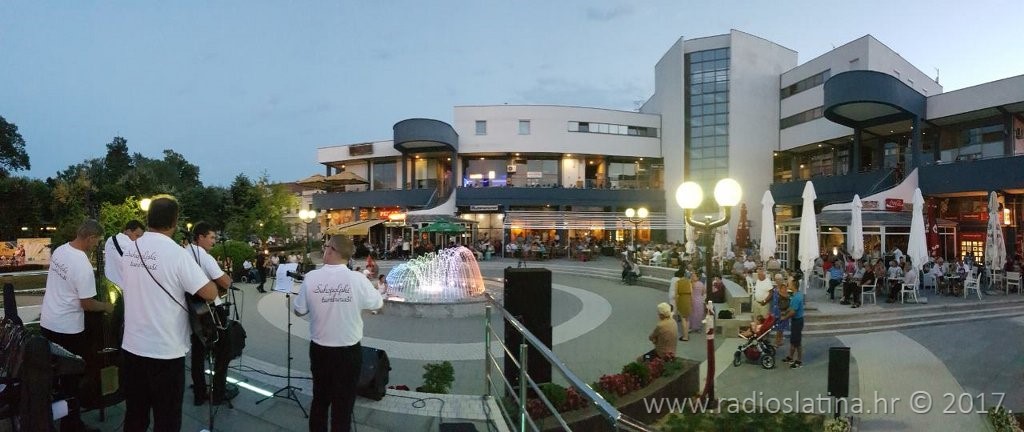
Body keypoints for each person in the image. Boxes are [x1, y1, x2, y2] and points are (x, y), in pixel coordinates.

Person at [120, 196, 219, 431]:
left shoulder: (130, 249)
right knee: (167, 420)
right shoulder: (177, 254)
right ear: (175, 221)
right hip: (165, 351)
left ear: (148, 219)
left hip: (132, 348)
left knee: (135, 416)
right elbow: (210, 293)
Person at [293, 235, 383, 432]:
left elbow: (299, 310)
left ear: (332, 250)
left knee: (320, 400)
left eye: (326, 246)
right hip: (349, 352)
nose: (324, 250)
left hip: (320, 350)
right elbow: (377, 303)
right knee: (343, 405)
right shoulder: (358, 279)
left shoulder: (312, 277)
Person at [40, 219, 115, 432]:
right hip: (68, 329)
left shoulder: (61, 250)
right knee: (72, 378)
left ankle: (53, 415)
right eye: (97, 241)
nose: (97, 245)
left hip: (48, 321)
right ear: (90, 237)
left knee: (56, 378)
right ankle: (71, 425)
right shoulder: (82, 265)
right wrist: (107, 306)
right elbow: (87, 303)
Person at [185, 222, 237, 406]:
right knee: (224, 351)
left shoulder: (184, 253)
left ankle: (199, 394)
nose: (214, 241)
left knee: (198, 353)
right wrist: (227, 277)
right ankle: (218, 393)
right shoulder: (204, 257)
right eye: (212, 237)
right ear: (200, 237)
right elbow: (225, 282)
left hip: (193, 309)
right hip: (212, 309)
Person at [103, 219, 146, 288]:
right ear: (128, 231)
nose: (138, 240)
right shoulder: (132, 246)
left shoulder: (109, 240)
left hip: (108, 284)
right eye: (137, 236)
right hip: (125, 287)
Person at [782, 272, 805, 369]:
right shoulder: (796, 295)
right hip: (796, 321)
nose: (788, 284)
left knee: (797, 342)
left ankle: (799, 360)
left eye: (789, 283)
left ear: (794, 285)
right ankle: (790, 357)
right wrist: (785, 311)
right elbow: (790, 308)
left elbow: (793, 312)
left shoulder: (796, 297)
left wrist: (784, 317)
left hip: (797, 321)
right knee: (793, 340)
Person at [669, 269, 691, 341]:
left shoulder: (677, 281)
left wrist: (677, 303)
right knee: (687, 318)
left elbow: (676, 294)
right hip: (687, 299)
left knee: (682, 318)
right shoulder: (688, 282)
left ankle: (685, 336)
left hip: (680, 298)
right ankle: (687, 334)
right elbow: (691, 292)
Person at [770, 273, 791, 347]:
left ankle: (776, 341)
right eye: (776, 279)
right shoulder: (774, 288)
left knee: (780, 327)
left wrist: (779, 292)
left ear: (782, 280)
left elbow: (787, 296)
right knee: (779, 327)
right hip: (775, 309)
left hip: (782, 310)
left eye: (779, 279)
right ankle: (780, 340)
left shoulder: (783, 287)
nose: (778, 281)